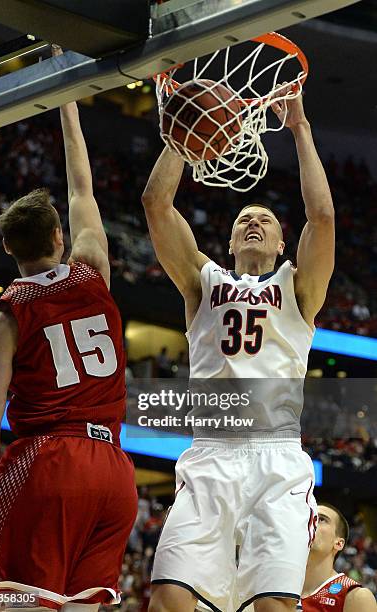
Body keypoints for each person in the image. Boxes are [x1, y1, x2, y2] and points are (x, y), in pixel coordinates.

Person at [142, 87, 335, 612]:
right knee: (167, 597)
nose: (254, 221)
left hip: (277, 458)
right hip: (212, 451)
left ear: (280, 245)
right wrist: (184, 138)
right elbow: (156, 206)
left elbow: (322, 219)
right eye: (244, 219)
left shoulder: (298, 290)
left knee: (272, 606)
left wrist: (300, 129)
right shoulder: (202, 283)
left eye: (266, 220)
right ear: (227, 243)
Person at [0, 55, 137, 611]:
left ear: (8, 248)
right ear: (60, 237)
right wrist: (67, 99)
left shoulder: (5, 316)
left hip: (49, 463)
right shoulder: (94, 269)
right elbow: (82, 185)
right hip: (115, 471)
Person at [298, 503, 376, 611]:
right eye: (308, 518)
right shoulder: (276, 586)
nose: (311, 522)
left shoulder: (355, 596)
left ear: (338, 543)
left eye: (321, 519)